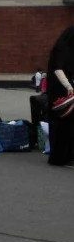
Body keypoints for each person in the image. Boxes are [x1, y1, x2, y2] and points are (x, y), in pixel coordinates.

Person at [45, 26, 74, 166]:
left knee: (66, 126)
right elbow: (58, 69)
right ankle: (60, 157)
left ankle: (66, 155)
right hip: (61, 94)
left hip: (64, 93)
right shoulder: (62, 51)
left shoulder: (66, 49)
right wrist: (68, 86)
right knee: (62, 126)